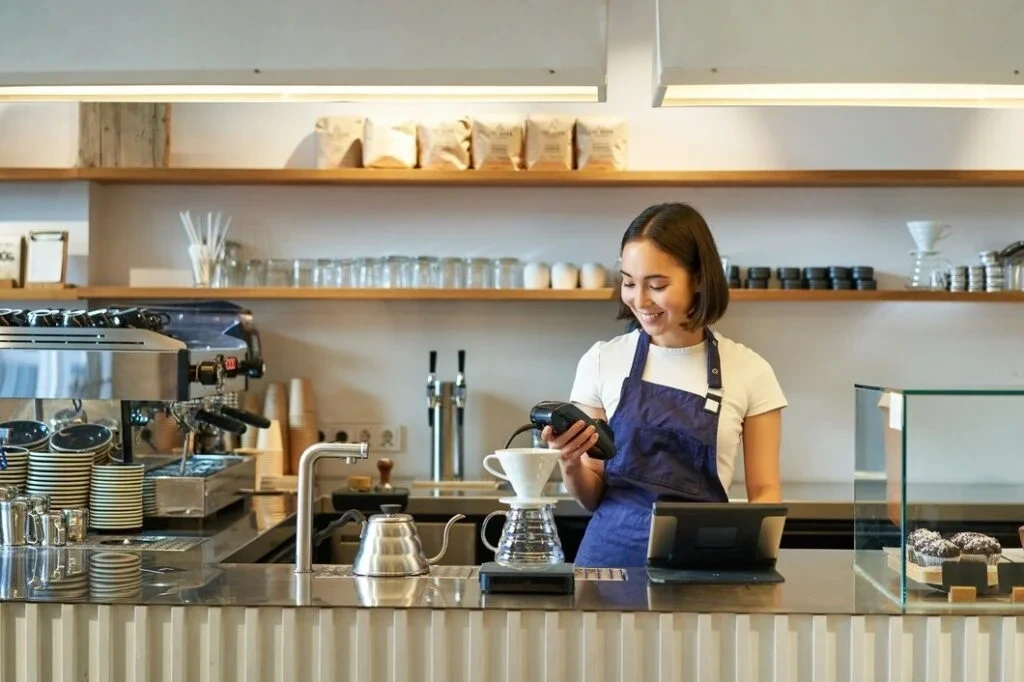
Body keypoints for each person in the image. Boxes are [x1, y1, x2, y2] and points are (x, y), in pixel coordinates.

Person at [542, 202, 787, 568]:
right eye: (628, 283)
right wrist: (571, 462)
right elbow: (592, 496)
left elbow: (765, 491)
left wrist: (755, 563)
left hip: (704, 571)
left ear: (699, 278)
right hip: (608, 569)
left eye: (656, 285)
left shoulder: (751, 371)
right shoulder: (600, 361)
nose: (639, 301)